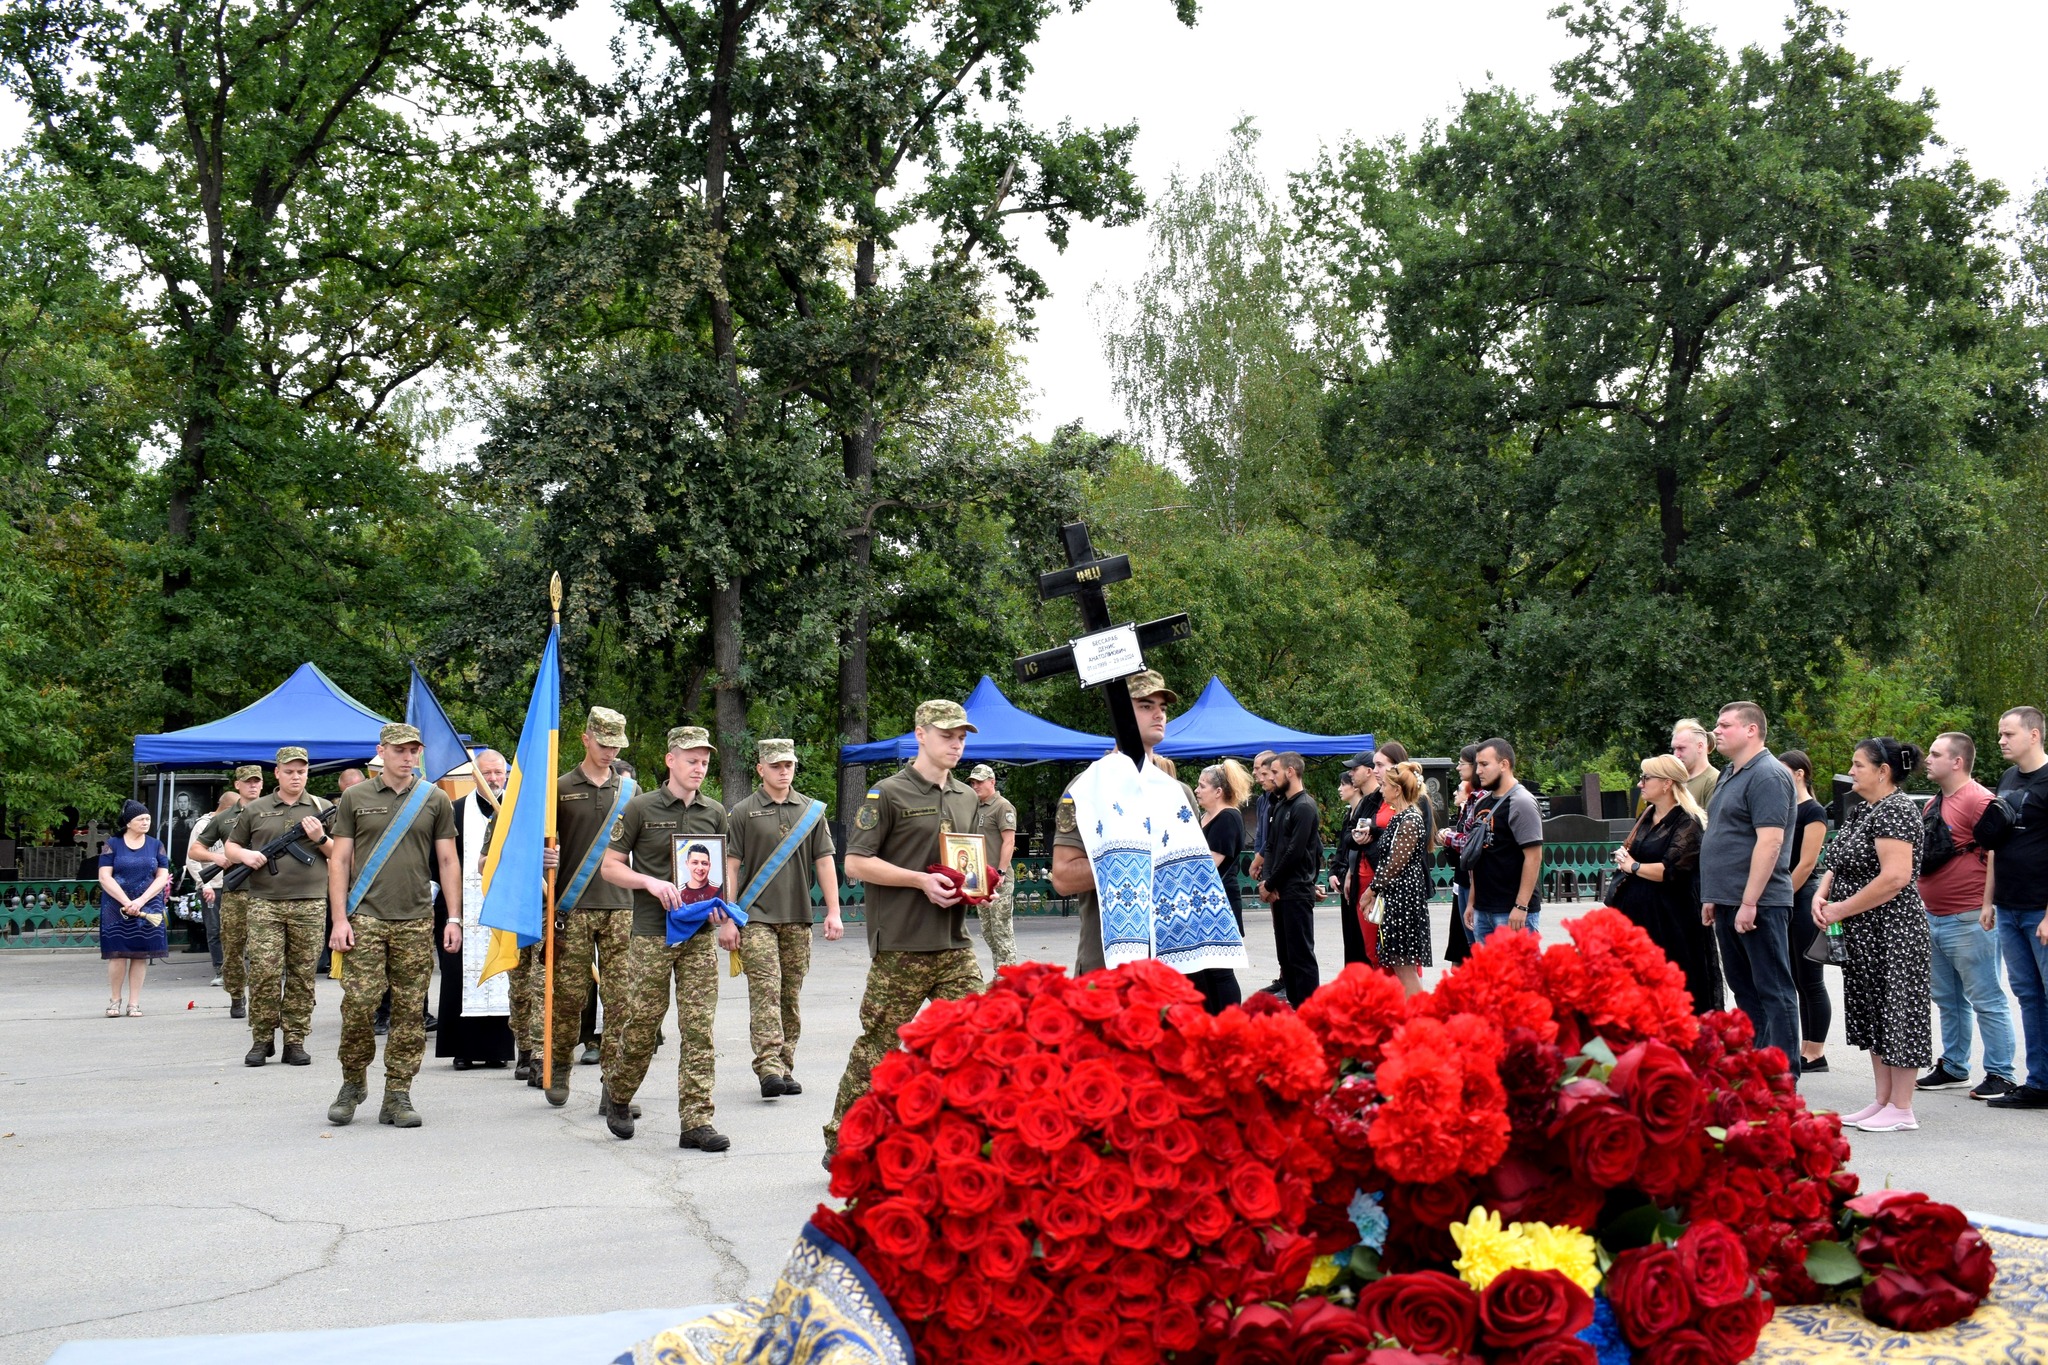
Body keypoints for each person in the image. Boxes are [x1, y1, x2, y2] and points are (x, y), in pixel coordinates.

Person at [830, 699, 988, 1168]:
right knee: (879, 1048)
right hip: (901, 944)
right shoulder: (888, 793)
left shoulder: (966, 796)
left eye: (962, 736)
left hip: (954, 942)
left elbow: (968, 863)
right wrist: (919, 879)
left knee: (976, 1041)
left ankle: (960, 1145)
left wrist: (980, 888)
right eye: (947, 735)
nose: (956, 744)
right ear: (920, 734)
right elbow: (855, 862)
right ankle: (842, 1139)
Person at [600, 726, 734, 1148]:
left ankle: (696, 1121)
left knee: (699, 1028)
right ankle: (618, 1093)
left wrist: (723, 913)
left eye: (705, 761)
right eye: (691, 760)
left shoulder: (714, 811)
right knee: (641, 1025)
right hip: (652, 936)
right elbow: (610, 867)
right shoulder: (640, 808)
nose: (699, 768)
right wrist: (650, 883)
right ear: (670, 760)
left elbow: (718, 874)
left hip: (696, 936)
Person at [324, 723, 463, 1128]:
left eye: (413, 750)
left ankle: (398, 1093)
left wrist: (452, 917)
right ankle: (353, 1084)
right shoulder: (355, 796)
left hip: (417, 919)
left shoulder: (435, 799)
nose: (407, 757)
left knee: (409, 1012)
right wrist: (338, 919)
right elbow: (339, 861)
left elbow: (449, 862)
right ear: (381, 751)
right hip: (364, 917)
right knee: (358, 1007)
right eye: (400, 750)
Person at [1813, 739, 1933, 1132]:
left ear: (1883, 771)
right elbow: (1838, 860)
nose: (1852, 771)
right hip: (1863, 931)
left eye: (1858, 764)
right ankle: (1882, 1100)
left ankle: (1902, 1107)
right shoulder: (1864, 808)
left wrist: (1841, 909)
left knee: (1899, 1012)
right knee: (1874, 1011)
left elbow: (1895, 877)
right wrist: (1822, 892)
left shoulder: (1896, 810)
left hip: (1893, 930)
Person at [530, 711, 638, 1111]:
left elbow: (637, 848)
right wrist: (543, 857)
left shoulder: (629, 790)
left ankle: (615, 1085)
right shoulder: (558, 789)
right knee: (569, 998)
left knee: (620, 1000)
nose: (610, 751)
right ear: (586, 739)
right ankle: (559, 1065)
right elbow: (536, 844)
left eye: (616, 745)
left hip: (620, 906)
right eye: (604, 743)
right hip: (572, 908)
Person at [727, 738, 843, 1101]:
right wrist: (729, 916)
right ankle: (768, 1067)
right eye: (775, 765)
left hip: (798, 915)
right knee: (765, 990)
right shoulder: (744, 811)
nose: (783, 771)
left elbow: (824, 861)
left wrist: (834, 912)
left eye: (788, 765)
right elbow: (731, 865)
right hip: (755, 916)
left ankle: (785, 1063)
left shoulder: (811, 810)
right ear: (760, 768)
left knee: (789, 995)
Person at [1699, 702, 1802, 1080]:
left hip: (1760, 904)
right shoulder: (1731, 772)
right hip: (1729, 902)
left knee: (1774, 991)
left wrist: (1749, 901)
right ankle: (1757, 1067)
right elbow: (1723, 835)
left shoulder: (1769, 774)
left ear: (1751, 730)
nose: (1717, 731)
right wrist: (1713, 895)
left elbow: (1770, 842)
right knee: (1745, 991)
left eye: (1725, 725)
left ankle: (1783, 1076)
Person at [1911, 731, 2015, 1100]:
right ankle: (1954, 1065)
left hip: (1969, 917)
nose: (1929, 759)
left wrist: (1987, 904)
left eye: (1936, 754)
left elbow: (1998, 854)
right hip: (1935, 915)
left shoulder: (1978, 800)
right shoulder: (1933, 803)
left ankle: (2001, 1073)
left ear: (1957, 761)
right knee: (1947, 998)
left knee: (1986, 997)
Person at [225, 747, 334, 1067]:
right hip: (264, 903)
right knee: (264, 973)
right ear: (277, 773)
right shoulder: (256, 809)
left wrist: (320, 837)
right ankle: (261, 1039)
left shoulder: (321, 807)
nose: (296, 776)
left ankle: (295, 1040)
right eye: (289, 771)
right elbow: (232, 846)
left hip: (310, 902)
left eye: (301, 771)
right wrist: (246, 856)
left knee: (302, 975)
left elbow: (341, 853)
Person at [1610, 755, 1716, 1009]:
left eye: (1646, 778)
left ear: (1667, 783)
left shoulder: (1687, 821)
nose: (1639, 784)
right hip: (1638, 917)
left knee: (1672, 990)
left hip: (1671, 921)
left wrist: (1633, 866)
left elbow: (1670, 870)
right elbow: (1637, 851)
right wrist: (1624, 857)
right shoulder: (1647, 814)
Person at [433, 747, 515, 1072]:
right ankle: (462, 1049)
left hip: (504, 908)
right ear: (475, 776)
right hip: (461, 908)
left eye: (499, 773)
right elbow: (438, 861)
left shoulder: (518, 810)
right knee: (458, 976)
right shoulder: (454, 812)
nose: (494, 779)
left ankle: (498, 1050)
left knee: (504, 975)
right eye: (488, 773)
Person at [1983, 706, 2048, 1110]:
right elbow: (1996, 843)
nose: (2002, 741)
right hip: (2008, 907)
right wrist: (1988, 900)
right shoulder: (2008, 779)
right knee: (2027, 994)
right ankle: (2039, 1082)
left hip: (2040, 910)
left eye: (2008, 734)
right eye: (2001, 734)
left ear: (2034, 735)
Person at [191, 764, 265, 1016]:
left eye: (257, 781)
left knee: (265, 950)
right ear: (238, 785)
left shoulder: (272, 813)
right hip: (236, 891)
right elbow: (195, 850)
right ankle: (236, 995)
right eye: (248, 781)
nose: (253, 785)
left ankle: (262, 998)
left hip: (267, 891)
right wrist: (219, 859)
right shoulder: (223, 818)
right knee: (233, 948)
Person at [1361, 761, 1432, 995]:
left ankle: (1421, 1017)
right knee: (1399, 964)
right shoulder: (1400, 817)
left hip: (1404, 899)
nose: (1381, 790)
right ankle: (1411, 1016)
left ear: (1397, 789)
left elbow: (1393, 865)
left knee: (1404, 965)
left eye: (1385, 786)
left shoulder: (1410, 819)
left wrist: (1370, 891)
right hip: (1397, 897)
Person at [1464, 739, 1544, 944]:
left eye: (1484, 764)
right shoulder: (1483, 801)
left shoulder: (1521, 802)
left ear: (1504, 764)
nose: (1478, 771)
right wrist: (1472, 902)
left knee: (1519, 975)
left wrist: (1521, 905)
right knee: (1489, 975)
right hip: (1483, 909)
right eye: (1477, 765)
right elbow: (1479, 855)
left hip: (1511, 912)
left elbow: (1534, 857)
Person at [1780, 750, 1831, 1067]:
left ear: (1799, 773)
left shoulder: (1813, 811)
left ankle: (1816, 1051)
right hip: (1785, 897)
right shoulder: (1785, 809)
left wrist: (1783, 895)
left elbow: (1807, 863)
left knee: (1811, 978)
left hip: (1802, 897)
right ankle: (1804, 1046)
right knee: (1796, 978)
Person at [1260, 751, 1322, 1004]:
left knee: (1300, 956)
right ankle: (1295, 1005)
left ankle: (1310, 1010)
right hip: (1279, 891)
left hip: (1296, 890)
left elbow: (1295, 852)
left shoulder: (1304, 806)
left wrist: (1272, 882)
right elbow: (1271, 847)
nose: (1271, 778)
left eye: (1275, 772)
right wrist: (1266, 882)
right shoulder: (1281, 804)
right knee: (1285, 956)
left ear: (1290, 772)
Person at [98, 800, 171, 1016]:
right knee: (117, 954)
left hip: (148, 905)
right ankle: (115, 1000)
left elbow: (162, 875)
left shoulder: (156, 844)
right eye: (141, 819)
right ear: (129, 822)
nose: (146, 822)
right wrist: (125, 901)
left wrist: (140, 901)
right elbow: (104, 876)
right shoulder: (112, 844)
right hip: (115, 906)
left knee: (140, 955)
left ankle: (134, 1003)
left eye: (148, 818)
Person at [1197, 760, 1251, 979]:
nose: (1197, 790)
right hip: (1206, 901)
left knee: (1220, 972)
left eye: (1202, 786)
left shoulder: (1228, 817)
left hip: (1221, 901)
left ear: (1218, 791)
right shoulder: (1205, 816)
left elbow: (1208, 867)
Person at [184, 789, 243, 985]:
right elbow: (192, 859)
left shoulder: (237, 823)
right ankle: (220, 969)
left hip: (234, 883)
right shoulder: (203, 826)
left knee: (237, 929)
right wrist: (205, 884)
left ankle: (238, 969)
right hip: (213, 885)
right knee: (215, 929)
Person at [967, 763, 1020, 970]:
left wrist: (1001, 871)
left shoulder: (1002, 806)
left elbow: (1009, 841)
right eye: (973, 782)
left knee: (1001, 930)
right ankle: (1001, 973)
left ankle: (1009, 979)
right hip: (979, 877)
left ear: (992, 782)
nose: (976, 785)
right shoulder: (975, 807)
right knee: (988, 931)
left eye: (979, 781)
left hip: (998, 878)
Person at [1332, 754, 1382, 967]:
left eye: (1355, 769)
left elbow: (1386, 842)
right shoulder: (1365, 804)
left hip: (1378, 881)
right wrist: (1344, 871)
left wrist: (1369, 836)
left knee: (1379, 951)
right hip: (1357, 879)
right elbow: (1347, 840)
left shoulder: (1384, 802)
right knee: (1360, 945)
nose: (1351, 773)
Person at [1438, 744, 1484, 964]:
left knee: (1479, 946)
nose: (1457, 767)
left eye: (1461, 763)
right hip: (1466, 879)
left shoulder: (1482, 799)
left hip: (1478, 880)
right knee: (1470, 945)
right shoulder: (1473, 800)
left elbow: (1472, 842)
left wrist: (1447, 837)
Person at [1672, 718, 1719, 811]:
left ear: (1700, 746)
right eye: (1674, 749)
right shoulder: (1675, 780)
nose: (1676, 755)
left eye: (1681, 748)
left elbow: (1712, 823)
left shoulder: (1713, 781)